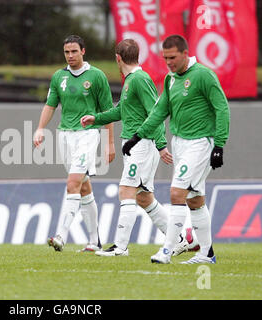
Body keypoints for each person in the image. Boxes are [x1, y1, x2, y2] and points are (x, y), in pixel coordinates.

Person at [121, 35, 230, 264]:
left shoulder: (203, 75)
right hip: (180, 142)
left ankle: (167, 250)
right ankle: (206, 253)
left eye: (172, 57)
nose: (168, 62)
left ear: (185, 53)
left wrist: (219, 144)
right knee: (194, 199)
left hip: (201, 142)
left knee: (177, 193)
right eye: (165, 58)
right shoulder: (171, 80)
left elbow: (222, 109)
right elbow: (159, 112)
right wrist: (137, 136)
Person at [81, 39, 190, 257]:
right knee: (143, 198)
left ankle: (120, 247)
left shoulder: (139, 79)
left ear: (117, 58)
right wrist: (97, 118)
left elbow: (156, 113)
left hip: (142, 145)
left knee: (126, 190)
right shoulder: (132, 80)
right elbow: (121, 110)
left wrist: (160, 144)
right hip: (135, 145)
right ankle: (179, 239)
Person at [33, 35, 115, 252]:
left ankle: (61, 235)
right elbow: (50, 105)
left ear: (83, 51)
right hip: (65, 136)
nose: (70, 56)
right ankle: (94, 241)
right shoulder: (59, 76)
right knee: (84, 186)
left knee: (72, 183)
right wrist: (40, 129)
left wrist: (110, 143)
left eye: (74, 52)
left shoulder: (96, 76)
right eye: (67, 52)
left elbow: (108, 112)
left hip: (87, 135)